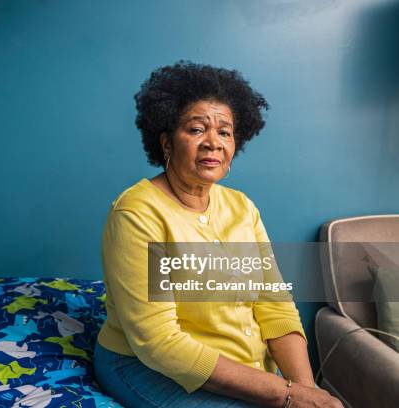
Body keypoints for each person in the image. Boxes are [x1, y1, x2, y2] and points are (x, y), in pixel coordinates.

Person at [93, 61, 343, 408]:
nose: (213, 142)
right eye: (196, 130)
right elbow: (159, 341)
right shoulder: (136, 213)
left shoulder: (242, 207)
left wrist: (306, 391)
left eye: (225, 132)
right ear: (166, 142)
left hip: (240, 369)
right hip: (145, 365)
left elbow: (275, 306)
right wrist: (285, 396)